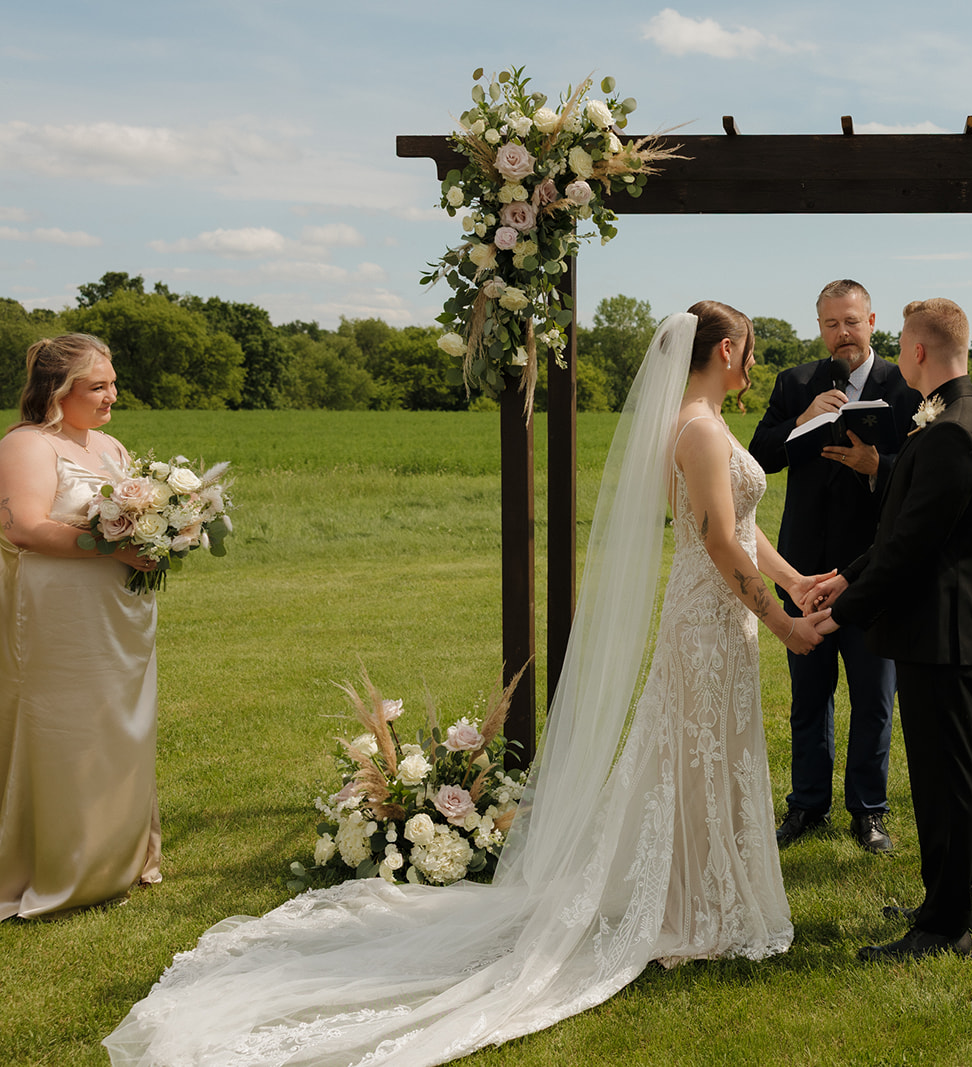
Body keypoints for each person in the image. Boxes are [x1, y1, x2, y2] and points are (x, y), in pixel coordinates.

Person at [105, 304, 834, 1063]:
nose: (753, 366)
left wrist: (793, 580)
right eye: (749, 352)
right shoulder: (699, 429)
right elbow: (716, 536)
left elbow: (741, 527)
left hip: (718, 615)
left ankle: (698, 899)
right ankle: (689, 909)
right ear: (725, 349)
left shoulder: (698, 424)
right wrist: (785, 625)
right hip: (705, 621)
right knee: (692, 757)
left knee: (703, 756)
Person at [812, 298, 972, 961]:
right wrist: (845, 574)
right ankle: (946, 899)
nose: (897, 353)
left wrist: (841, 611)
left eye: (900, 343)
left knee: (947, 780)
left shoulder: (953, 430)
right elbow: (899, 531)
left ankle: (946, 926)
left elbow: (911, 549)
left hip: (941, 635)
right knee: (942, 777)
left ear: (919, 351)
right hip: (942, 632)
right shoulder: (957, 419)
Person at [749, 279, 920, 853]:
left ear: (872, 320)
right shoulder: (795, 382)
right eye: (831, 325)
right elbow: (760, 456)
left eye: (851, 322)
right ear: (819, 325)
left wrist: (878, 465)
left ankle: (869, 810)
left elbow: (925, 473)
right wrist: (802, 417)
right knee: (809, 693)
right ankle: (806, 806)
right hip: (804, 564)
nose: (842, 334)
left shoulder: (906, 386)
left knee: (874, 694)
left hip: (874, 566)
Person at [1, 334, 163, 922]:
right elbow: (24, 528)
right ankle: (59, 865)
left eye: (112, 383)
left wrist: (164, 536)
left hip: (121, 617)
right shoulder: (27, 445)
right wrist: (111, 548)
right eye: (98, 387)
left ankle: (117, 857)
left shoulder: (111, 447)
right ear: (56, 390)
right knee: (64, 730)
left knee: (118, 727)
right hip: (58, 620)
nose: (111, 396)